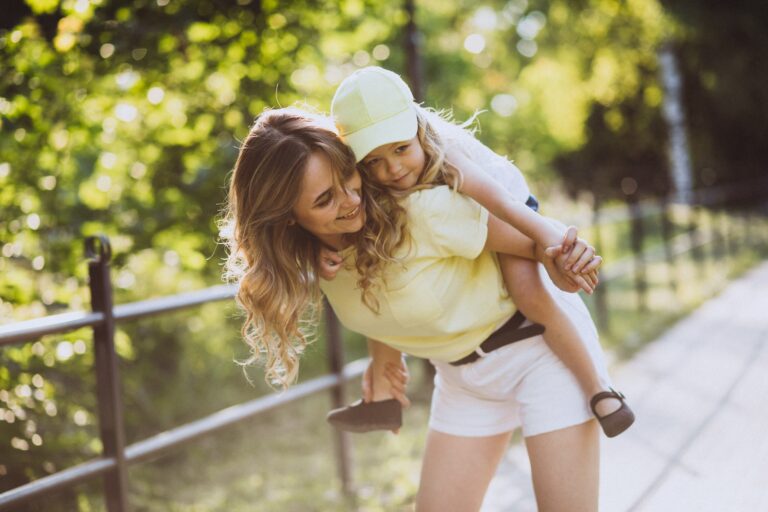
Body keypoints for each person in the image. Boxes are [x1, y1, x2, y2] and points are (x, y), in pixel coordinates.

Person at [222, 106, 622, 511]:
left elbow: (536, 241)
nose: (351, 200)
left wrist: (568, 259)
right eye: (325, 199)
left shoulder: (417, 210)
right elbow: (380, 296)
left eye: (347, 176)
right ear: (287, 219)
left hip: (539, 352)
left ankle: (602, 393)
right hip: (463, 379)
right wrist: (382, 359)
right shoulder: (316, 256)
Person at [324, 66, 634, 438]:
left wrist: (554, 243)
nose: (391, 168)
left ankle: (599, 389)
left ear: (418, 130)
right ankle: (383, 399)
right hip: (462, 222)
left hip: (504, 207)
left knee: (529, 294)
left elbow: (503, 203)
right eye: (372, 161)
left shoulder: (448, 155)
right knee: (379, 270)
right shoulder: (374, 185)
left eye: (401, 149)